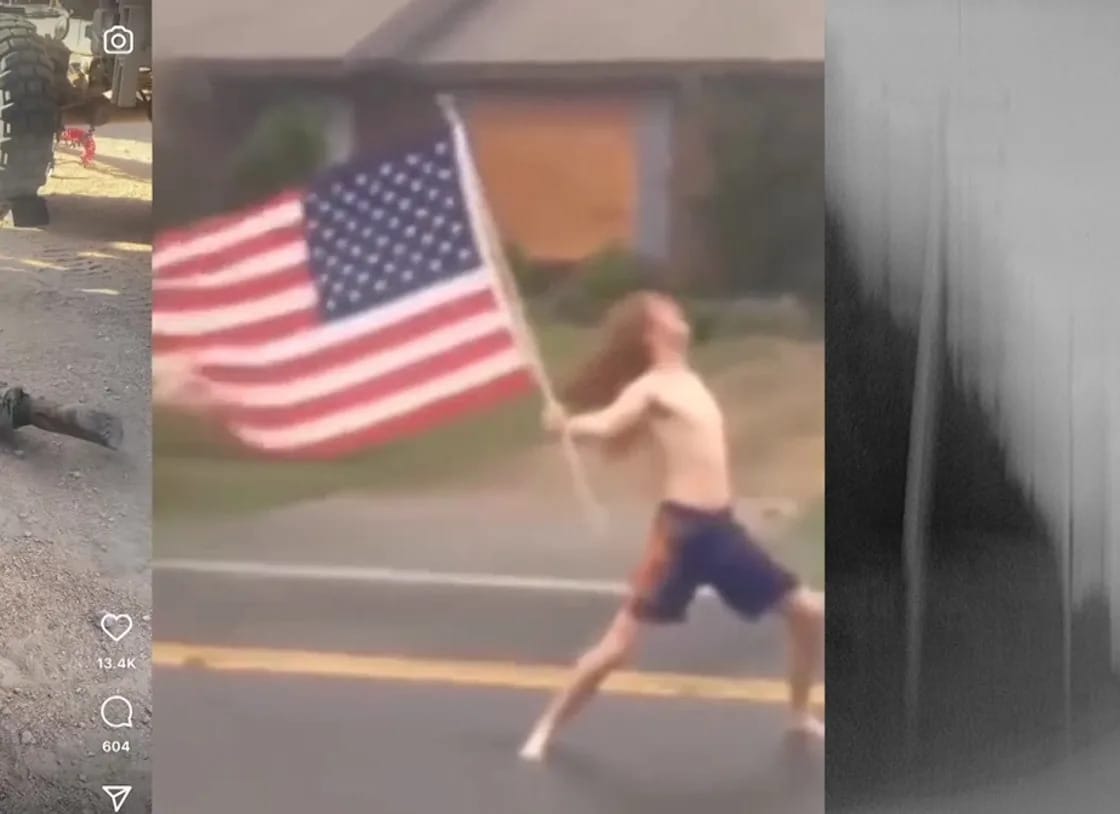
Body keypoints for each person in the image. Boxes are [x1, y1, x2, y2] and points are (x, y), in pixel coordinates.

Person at [519, 290, 824, 762]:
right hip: (681, 536)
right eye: (670, 312)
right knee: (619, 647)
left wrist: (751, 507)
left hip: (722, 533)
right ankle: (544, 731)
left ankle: (800, 715)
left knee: (807, 615)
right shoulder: (652, 387)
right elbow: (608, 423)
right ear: (651, 331)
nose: (681, 314)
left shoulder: (691, 381)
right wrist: (568, 425)